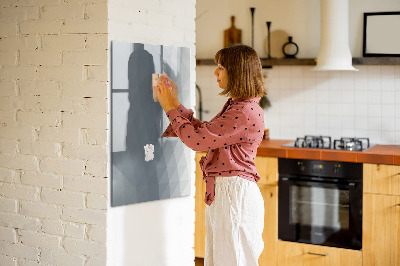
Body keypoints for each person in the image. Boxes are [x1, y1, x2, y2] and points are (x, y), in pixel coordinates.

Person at [153, 44, 266, 266]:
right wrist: (175, 103)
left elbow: (197, 141)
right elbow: (205, 133)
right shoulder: (239, 106)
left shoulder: (243, 111)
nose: (215, 72)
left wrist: (169, 108)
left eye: (221, 67)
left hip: (234, 196)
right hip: (228, 194)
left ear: (237, 71)